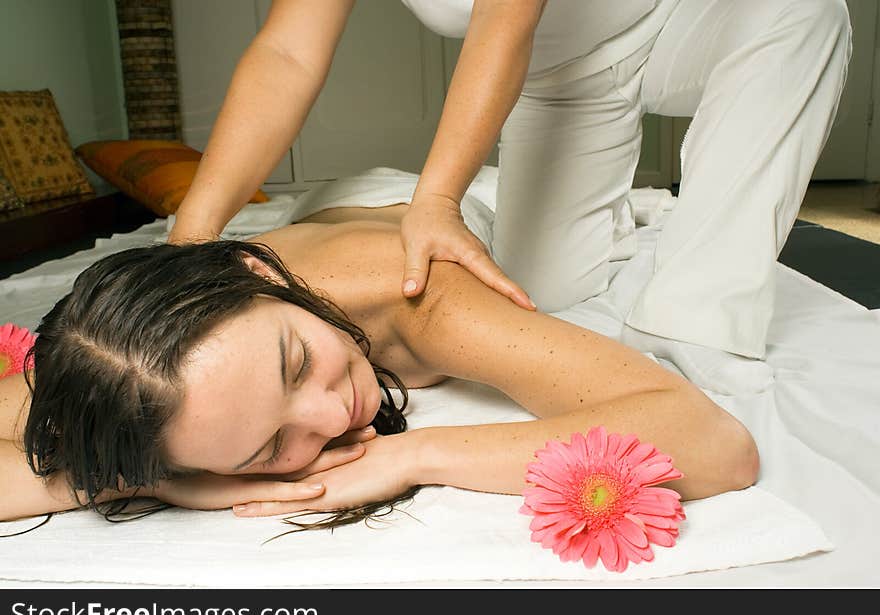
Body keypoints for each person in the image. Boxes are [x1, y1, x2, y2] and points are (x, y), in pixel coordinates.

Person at [167, 0, 852, 397]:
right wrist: (190, 240)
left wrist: (436, 200)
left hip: (683, 15)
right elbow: (287, 52)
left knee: (801, 10)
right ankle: (624, 215)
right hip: (558, 77)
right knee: (543, 291)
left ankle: (699, 312)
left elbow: (504, 19)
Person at [0, 200, 758, 525]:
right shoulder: (129, 363)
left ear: (258, 276)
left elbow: (716, 443)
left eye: (296, 364)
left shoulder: (426, 299)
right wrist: (149, 477)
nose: (334, 416)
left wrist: (417, 454)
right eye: (269, 447)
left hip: (392, 210)